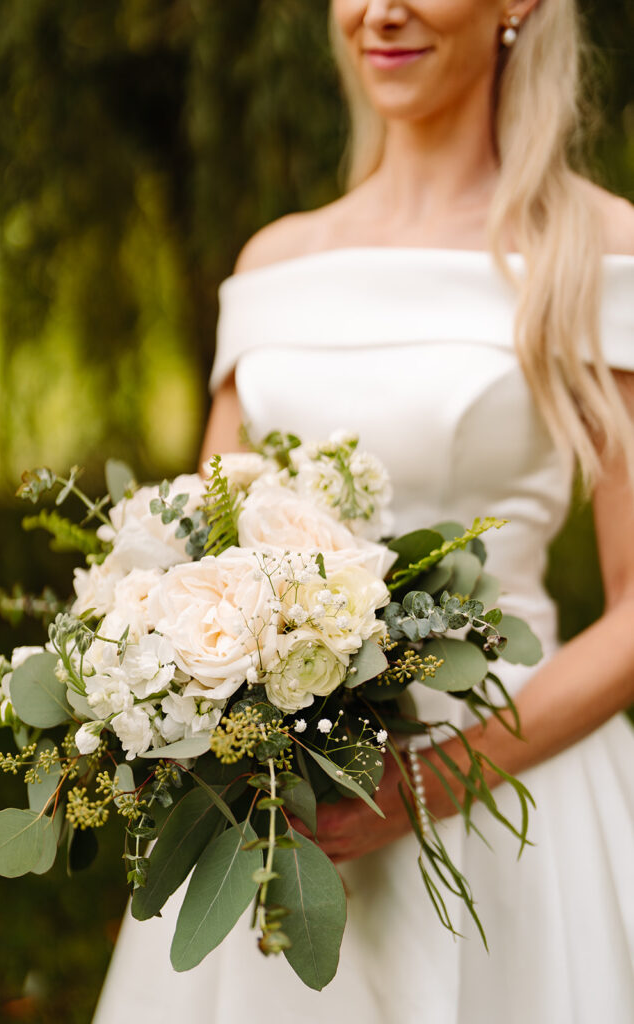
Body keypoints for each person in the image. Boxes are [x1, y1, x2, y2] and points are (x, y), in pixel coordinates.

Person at [93, 1, 634, 1021]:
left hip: (513, 797)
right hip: (278, 822)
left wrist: (426, 783)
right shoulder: (274, 268)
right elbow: (195, 561)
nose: (379, 11)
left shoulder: (595, 251)